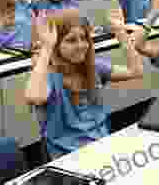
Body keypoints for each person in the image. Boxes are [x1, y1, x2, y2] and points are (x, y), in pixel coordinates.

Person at [25, 10, 143, 159]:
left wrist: (120, 33)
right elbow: (34, 97)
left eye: (83, 38)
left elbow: (136, 71)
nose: (81, 45)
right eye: (71, 40)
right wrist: (47, 48)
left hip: (103, 147)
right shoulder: (48, 75)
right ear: (56, 44)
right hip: (69, 158)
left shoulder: (92, 67)